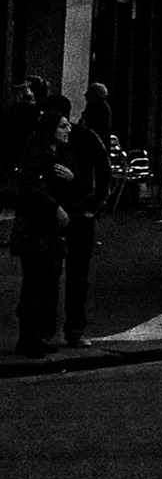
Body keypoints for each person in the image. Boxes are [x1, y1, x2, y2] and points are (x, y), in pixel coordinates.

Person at [10, 112, 74, 357]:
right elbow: (31, 186)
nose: (68, 130)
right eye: (63, 126)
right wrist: (54, 206)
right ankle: (29, 339)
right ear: (52, 129)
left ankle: (33, 336)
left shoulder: (49, 150)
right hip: (37, 228)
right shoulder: (40, 152)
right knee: (36, 283)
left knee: (42, 283)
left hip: (41, 228)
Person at [60, 97, 113, 348]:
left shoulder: (46, 140)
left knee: (52, 275)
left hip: (67, 211)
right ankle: (73, 328)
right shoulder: (86, 137)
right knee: (77, 273)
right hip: (79, 211)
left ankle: (49, 330)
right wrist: (94, 204)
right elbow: (104, 172)